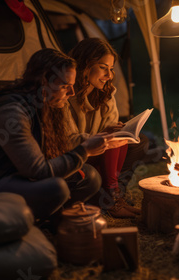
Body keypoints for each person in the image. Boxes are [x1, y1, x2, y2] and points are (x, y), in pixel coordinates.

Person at [0, 48, 111, 220]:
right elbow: (37, 170)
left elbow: (58, 149)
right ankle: (22, 222)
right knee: (56, 188)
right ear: (43, 82)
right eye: (65, 86)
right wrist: (84, 151)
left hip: (17, 175)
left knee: (89, 176)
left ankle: (55, 220)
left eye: (72, 86)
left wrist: (101, 139)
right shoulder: (11, 112)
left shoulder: (47, 103)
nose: (71, 93)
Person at [67, 38, 140, 218]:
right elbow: (68, 140)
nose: (109, 75)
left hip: (97, 151)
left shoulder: (105, 94)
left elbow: (109, 129)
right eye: (103, 67)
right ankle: (110, 199)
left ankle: (114, 196)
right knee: (111, 141)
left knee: (129, 139)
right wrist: (103, 136)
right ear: (86, 64)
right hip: (75, 152)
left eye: (111, 69)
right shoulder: (66, 93)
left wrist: (114, 131)